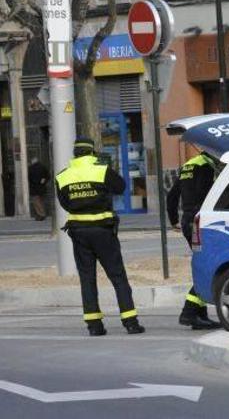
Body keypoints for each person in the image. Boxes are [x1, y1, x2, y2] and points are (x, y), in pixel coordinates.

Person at [55, 138, 145, 336]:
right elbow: (121, 187)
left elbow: (64, 203)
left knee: (87, 278)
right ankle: (130, 322)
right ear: (92, 152)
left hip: (79, 233)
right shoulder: (101, 170)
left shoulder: (62, 176)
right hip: (103, 231)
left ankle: (94, 326)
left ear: (75, 153)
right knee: (118, 276)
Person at [167, 149, 221, 330]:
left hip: (187, 220)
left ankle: (200, 315)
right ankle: (189, 312)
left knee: (202, 265)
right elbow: (206, 195)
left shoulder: (189, 164)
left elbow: (172, 195)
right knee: (208, 267)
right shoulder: (206, 167)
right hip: (201, 222)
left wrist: (173, 219)